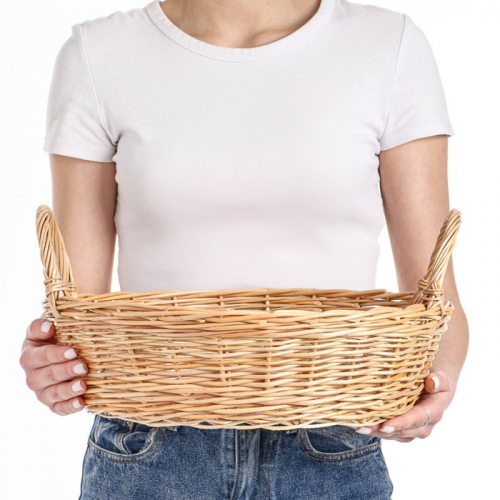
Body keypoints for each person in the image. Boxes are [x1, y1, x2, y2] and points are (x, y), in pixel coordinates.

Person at [20, 0, 469, 498]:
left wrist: (436, 383)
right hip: (151, 448)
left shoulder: (389, 46)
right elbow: (80, 311)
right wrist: (57, 366)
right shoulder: (98, 54)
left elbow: (436, 299)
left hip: (333, 439)